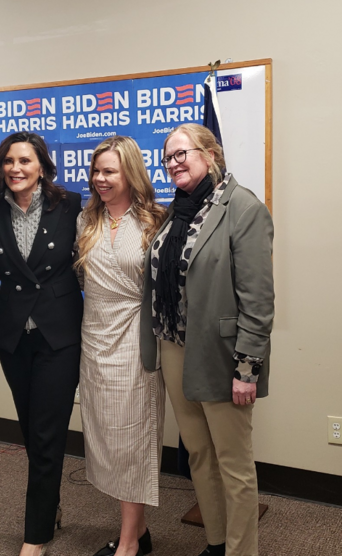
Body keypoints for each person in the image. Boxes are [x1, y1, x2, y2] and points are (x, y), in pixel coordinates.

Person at [140, 123, 274, 556]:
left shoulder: (244, 208)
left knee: (234, 464)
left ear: (211, 153)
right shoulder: (174, 212)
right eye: (168, 157)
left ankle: (241, 551)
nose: (174, 163)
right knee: (198, 453)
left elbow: (258, 299)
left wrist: (247, 369)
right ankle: (216, 543)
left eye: (182, 153)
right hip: (175, 348)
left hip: (223, 356)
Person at [0, 132, 83, 556]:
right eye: (8, 161)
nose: (16, 169)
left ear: (43, 165)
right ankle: (51, 504)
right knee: (31, 431)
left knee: (46, 432)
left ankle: (35, 535)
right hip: (14, 333)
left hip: (59, 333)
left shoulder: (71, 204)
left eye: (25, 160)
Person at [75, 136, 166, 556]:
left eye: (109, 171)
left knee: (133, 438)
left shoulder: (155, 220)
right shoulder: (85, 221)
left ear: (130, 172)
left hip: (135, 336)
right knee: (108, 439)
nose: (100, 179)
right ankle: (139, 532)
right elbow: (81, 281)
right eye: (96, 171)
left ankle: (128, 543)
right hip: (94, 337)